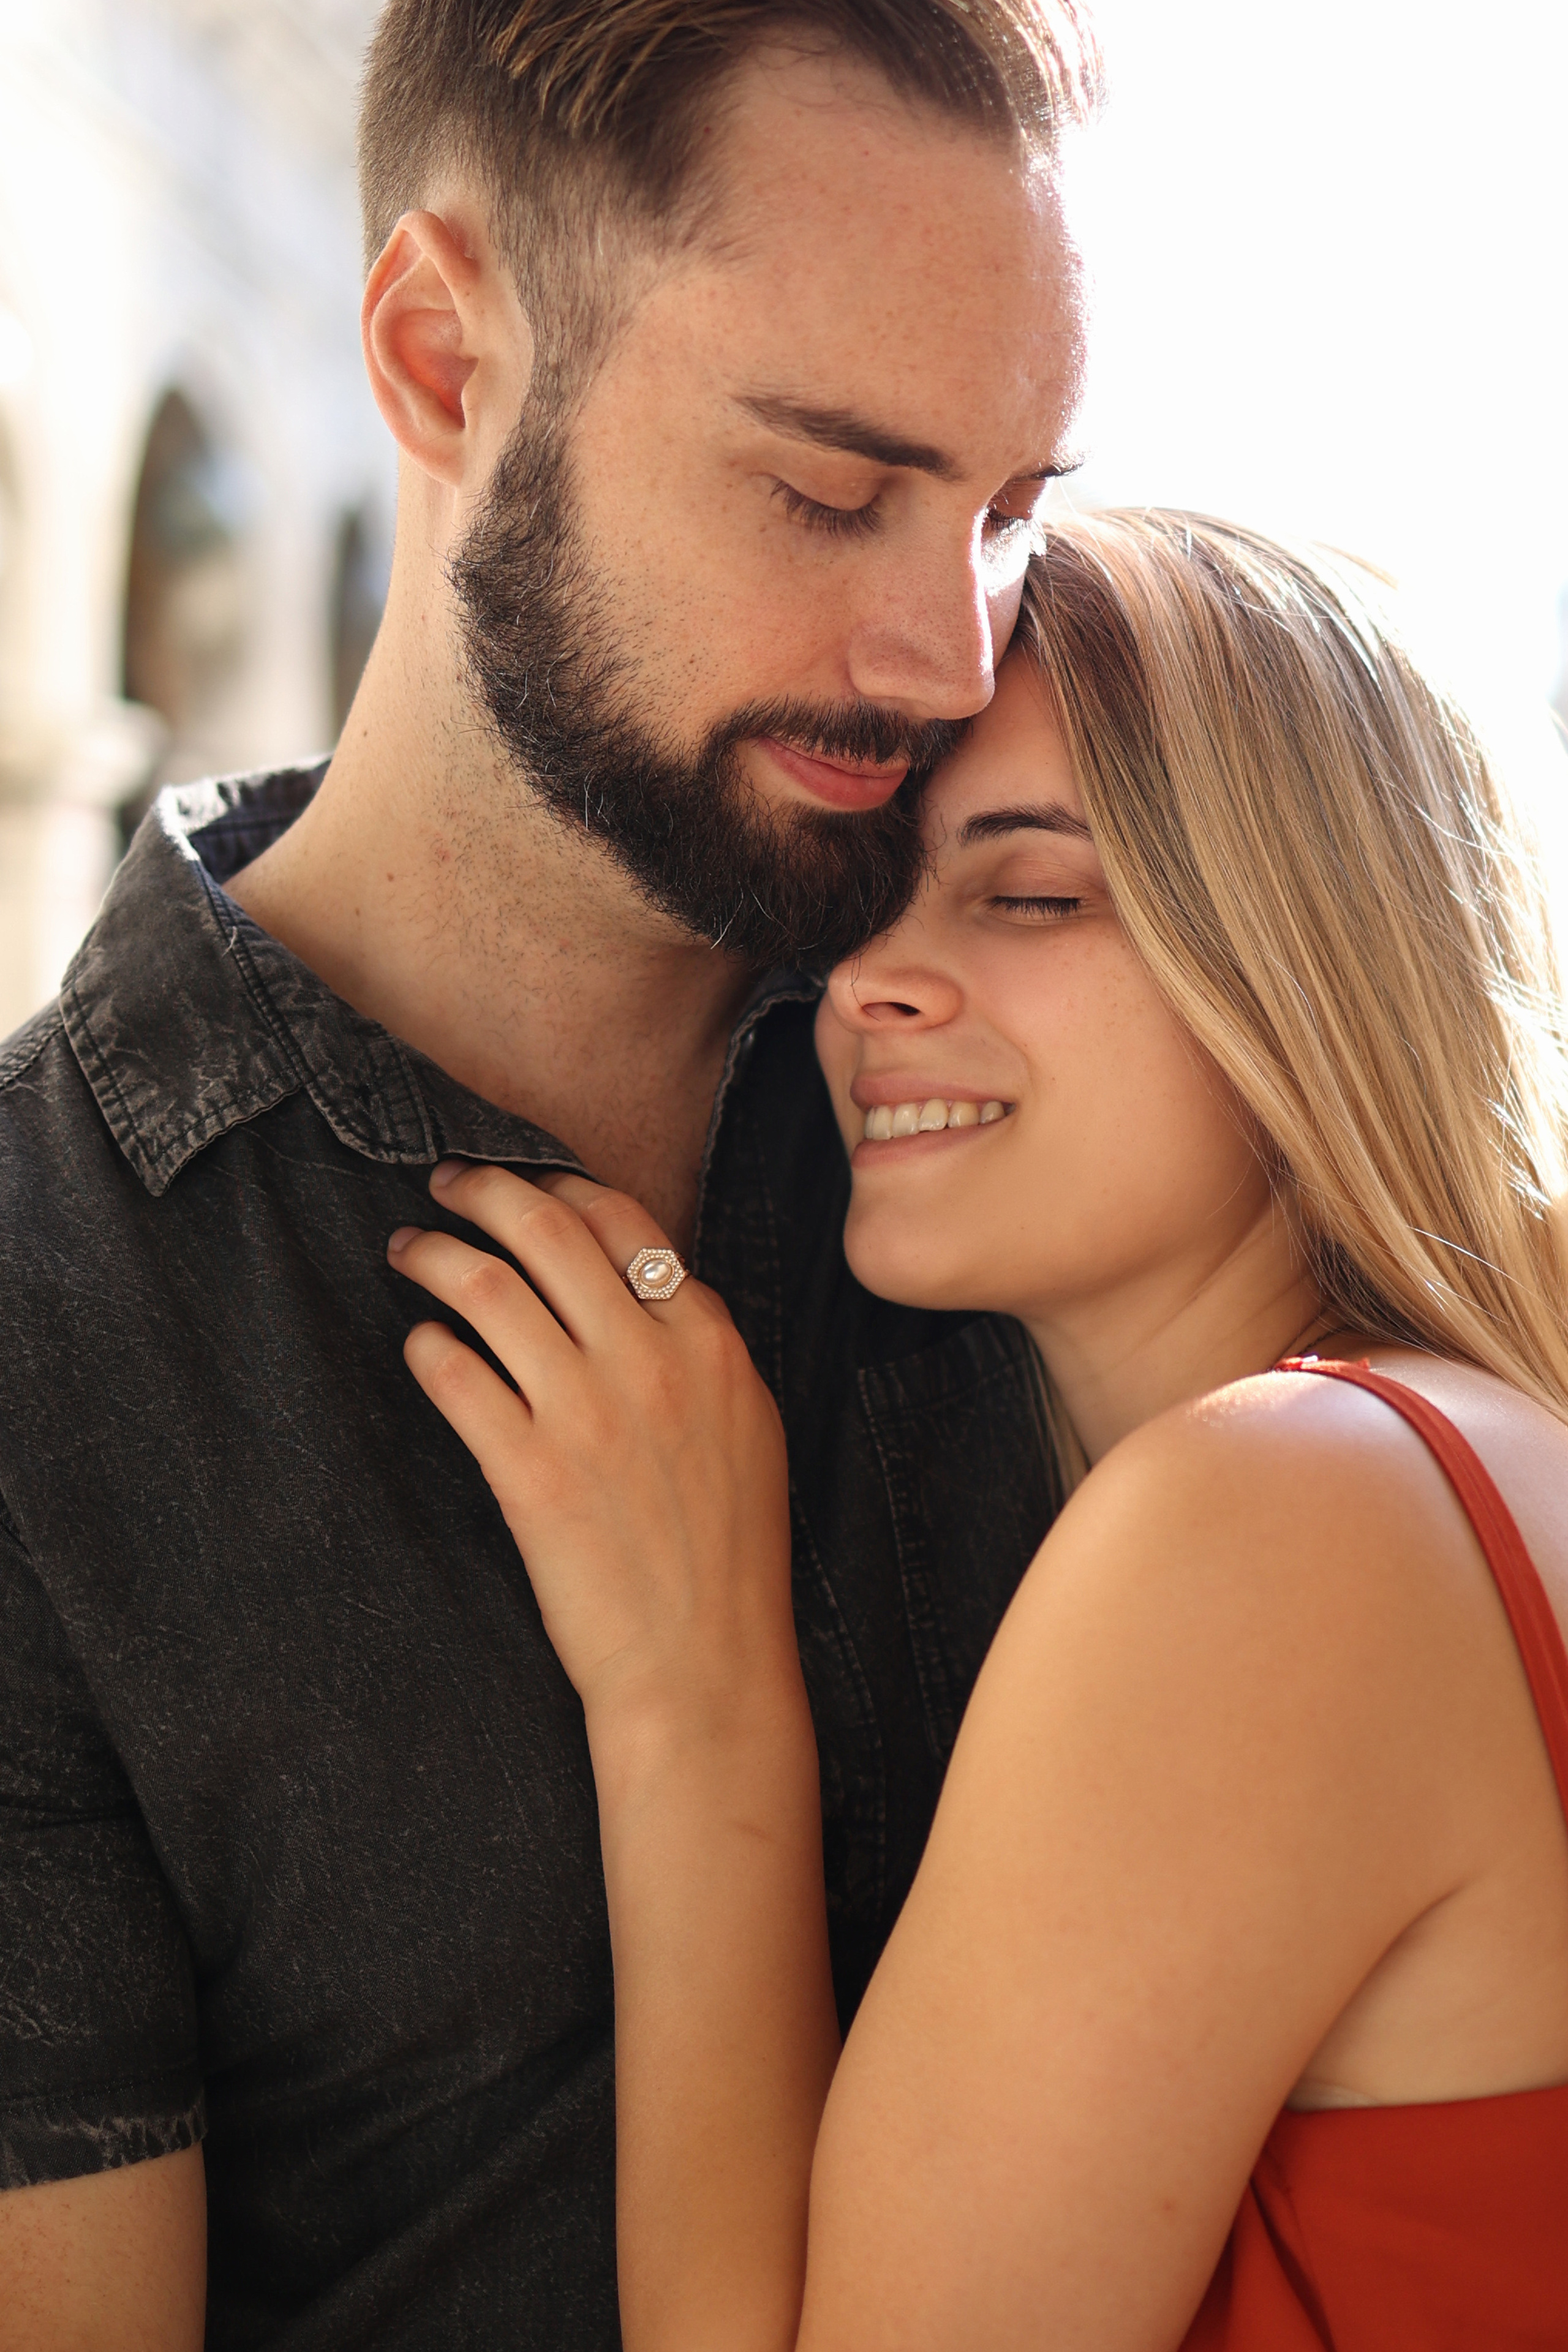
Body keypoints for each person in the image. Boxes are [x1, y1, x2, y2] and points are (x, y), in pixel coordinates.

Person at [0, 4, 1103, 2345]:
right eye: (825, 490)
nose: (945, 653)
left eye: (1013, 515)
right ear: (436, 357)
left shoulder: (1077, 1109)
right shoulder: (35, 1333)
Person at [391, 511, 1568, 2349]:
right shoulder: (1464, 1469)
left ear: (1304, 953)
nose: (869, 984)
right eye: (869, 902)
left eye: (1028, 896)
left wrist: (695, 1703)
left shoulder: (1286, 1516)